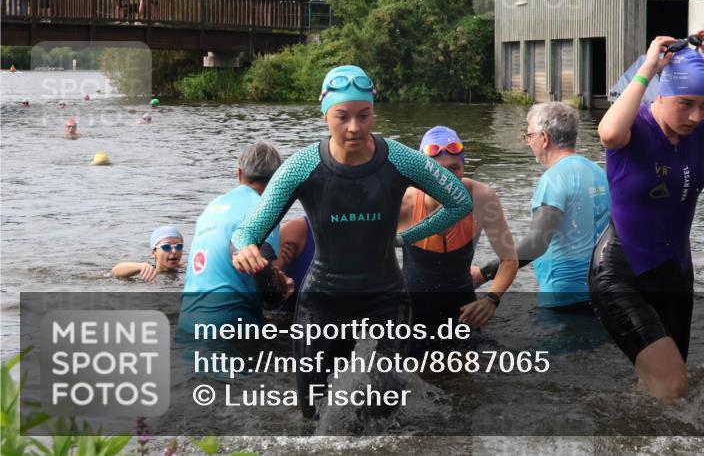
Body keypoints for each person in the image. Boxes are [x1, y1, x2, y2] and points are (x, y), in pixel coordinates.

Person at [230, 65, 472, 419]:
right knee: (312, 414)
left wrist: (406, 238)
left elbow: (460, 202)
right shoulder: (302, 166)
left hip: (385, 298)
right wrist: (245, 248)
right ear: (325, 115)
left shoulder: (399, 159)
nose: (354, 127)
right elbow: (247, 230)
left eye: (364, 115)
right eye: (342, 116)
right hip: (323, 300)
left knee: (384, 416)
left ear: (373, 112)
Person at [591, 28, 704, 401]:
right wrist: (648, 68)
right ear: (661, 94)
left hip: (675, 273)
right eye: (686, 103)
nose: (695, 115)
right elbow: (608, 133)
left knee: (662, 387)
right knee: (674, 385)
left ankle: (630, 430)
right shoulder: (633, 127)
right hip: (622, 273)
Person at [475, 102, 611, 312]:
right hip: (602, 288)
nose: (528, 142)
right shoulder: (597, 171)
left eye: (529, 136)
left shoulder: (553, 179)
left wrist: (484, 273)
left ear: (544, 138)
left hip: (564, 296)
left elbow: (536, 244)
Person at [398, 126, 518, 334]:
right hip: (412, 314)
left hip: (464, 312)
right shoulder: (404, 202)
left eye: (454, 168)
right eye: (438, 171)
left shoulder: (481, 198)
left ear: (464, 166)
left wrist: (491, 300)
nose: (447, 180)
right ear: (422, 174)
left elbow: (509, 260)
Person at [179, 142, 294, 333]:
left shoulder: (212, 207)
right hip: (230, 323)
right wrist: (277, 295)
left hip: (188, 319)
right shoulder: (265, 208)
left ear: (239, 173)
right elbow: (262, 264)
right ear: (278, 178)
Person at [112, 225, 185, 282]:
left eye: (179, 246)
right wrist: (140, 266)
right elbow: (115, 271)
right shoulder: (146, 273)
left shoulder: (186, 270)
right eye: (166, 247)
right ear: (154, 253)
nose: (174, 251)